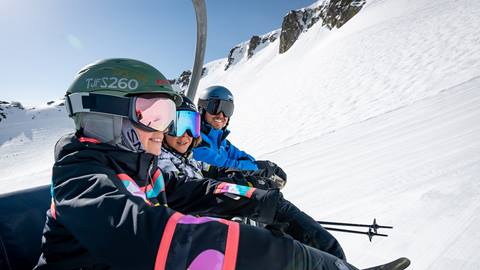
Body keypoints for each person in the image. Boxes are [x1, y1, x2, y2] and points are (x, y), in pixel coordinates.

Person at [35, 58, 358, 270]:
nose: (163, 131)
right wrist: (289, 258)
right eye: (154, 115)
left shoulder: (144, 169)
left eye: (168, 119)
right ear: (104, 115)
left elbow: (202, 189)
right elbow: (152, 236)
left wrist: (270, 206)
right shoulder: (80, 175)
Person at [159, 96, 347, 261]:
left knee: (279, 233)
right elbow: (198, 187)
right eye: (177, 126)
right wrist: (246, 187)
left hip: (214, 227)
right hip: (198, 241)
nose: (186, 134)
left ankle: (328, 259)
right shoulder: (162, 163)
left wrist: (248, 177)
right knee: (274, 228)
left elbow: (221, 168)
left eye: (191, 126)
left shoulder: (188, 157)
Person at [193, 85, 287, 189]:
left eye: (227, 110)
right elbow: (222, 166)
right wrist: (257, 168)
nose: (221, 115)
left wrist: (257, 166)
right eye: (215, 107)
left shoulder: (223, 143)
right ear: (202, 109)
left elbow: (245, 158)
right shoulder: (194, 140)